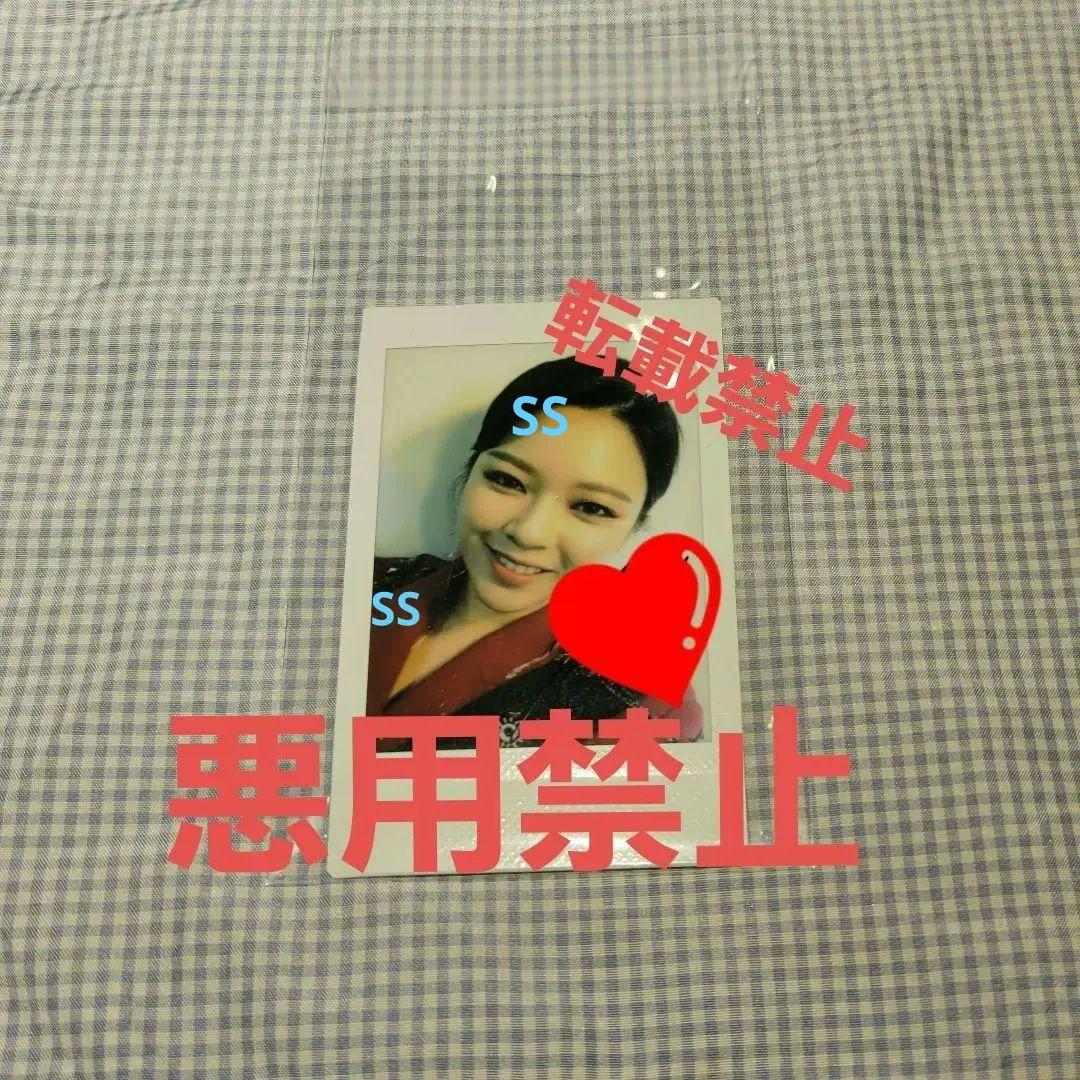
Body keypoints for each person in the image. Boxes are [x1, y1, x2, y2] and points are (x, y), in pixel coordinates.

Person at [366, 356, 703, 747]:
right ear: (469, 473)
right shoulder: (363, 584)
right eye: (507, 480)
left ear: (632, 530)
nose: (528, 532)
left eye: (591, 507)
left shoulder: (645, 704)